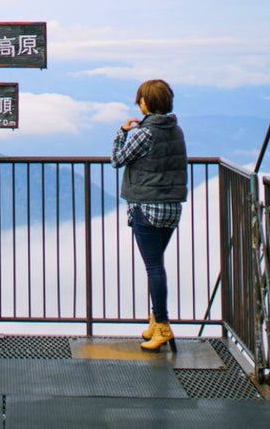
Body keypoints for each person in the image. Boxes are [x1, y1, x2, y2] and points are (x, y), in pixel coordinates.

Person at [111, 78, 188, 352]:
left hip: (148, 207)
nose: (138, 102)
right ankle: (156, 322)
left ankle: (163, 327)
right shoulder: (175, 130)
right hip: (171, 208)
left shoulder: (145, 133)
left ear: (146, 103)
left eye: (140, 99)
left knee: (154, 268)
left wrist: (122, 132)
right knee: (157, 264)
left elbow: (118, 159)